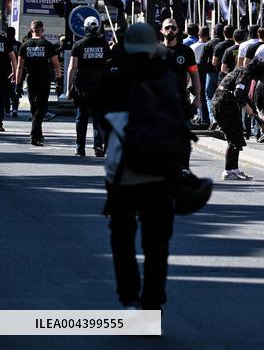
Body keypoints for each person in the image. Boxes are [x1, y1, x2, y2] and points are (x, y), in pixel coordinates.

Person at [100, 22, 189, 310]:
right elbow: (180, 121)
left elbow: (102, 120)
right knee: (157, 243)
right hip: (162, 171)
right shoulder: (168, 77)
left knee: (122, 237)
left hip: (123, 169)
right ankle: (153, 302)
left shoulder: (115, 75)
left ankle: (129, 296)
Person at [213, 58, 264, 180]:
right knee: (233, 136)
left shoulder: (244, 72)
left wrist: (256, 115)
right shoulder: (245, 73)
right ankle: (228, 171)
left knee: (237, 135)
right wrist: (248, 109)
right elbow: (238, 93)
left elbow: (243, 96)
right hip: (224, 103)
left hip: (226, 102)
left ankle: (234, 170)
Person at [66, 16, 111, 157]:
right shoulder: (104, 45)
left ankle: (80, 147)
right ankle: (98, 147)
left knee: (81, 118)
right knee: (98, 119)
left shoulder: (78, 45)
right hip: (101, 88)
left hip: (81, 88)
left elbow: (72, 68)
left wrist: (68, 89)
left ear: (85, 27)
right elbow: (109, 66)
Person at [15, 20, 61, 146]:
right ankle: (34, 135)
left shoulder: (25, 45)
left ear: (31, 30)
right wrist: (59, 78)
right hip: (44, 78)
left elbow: (20, 66)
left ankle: (38, 135)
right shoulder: (47, 45)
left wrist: (18, 84)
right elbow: (56, 64)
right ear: (42, 30)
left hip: (31, 79)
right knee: (42, 107)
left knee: (34, 106)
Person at [158, 18, 201, 121]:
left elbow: (194, 75)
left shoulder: (186, 51)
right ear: (162, 30)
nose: (170, 30)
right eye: (167, 27)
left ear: (177, 30)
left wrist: (197, 97)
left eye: (173, 28)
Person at [0, 24, 15, 132]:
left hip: (3, 75)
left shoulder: (6, 41)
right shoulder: (5, 41)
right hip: (3, 75)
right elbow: (13, 58)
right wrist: (15, 71)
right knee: (1, 100)